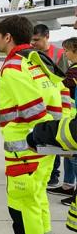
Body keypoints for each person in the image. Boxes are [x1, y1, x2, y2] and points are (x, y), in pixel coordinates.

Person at [0, 15, 63, 234]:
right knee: (37, 199)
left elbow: (33, 109)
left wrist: (36, 139)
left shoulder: (14, 67)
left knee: (22, 206)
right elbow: (62, 95)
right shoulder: (37, 60)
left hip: (26, 149)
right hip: (46, 146)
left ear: (8, 37)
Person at [32, 23, 71, 187]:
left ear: (47, 36)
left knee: (52, 139)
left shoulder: (59, 54)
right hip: (39, 103)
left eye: (37, 40)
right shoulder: (32, 54)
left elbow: (64, 82)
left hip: (54, 104)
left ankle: (53, 175)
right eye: (32, 40)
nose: (34, 43)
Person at [47, 37, 77, 204]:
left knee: (73, 157)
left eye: (67, 51)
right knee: (70, 155)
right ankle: (68, 186)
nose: (64, 54)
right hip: (71, 116)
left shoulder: (74, 71)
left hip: (73, 118)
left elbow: (62, 83)